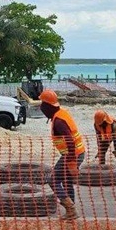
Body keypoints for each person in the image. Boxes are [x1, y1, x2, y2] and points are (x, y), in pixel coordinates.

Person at [39, 89, 85, 220]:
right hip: (76, 152)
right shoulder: (60, 114)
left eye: (42, 104)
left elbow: (70, 141)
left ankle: (70, 208)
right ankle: (71, 212)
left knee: (52, 180)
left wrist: (71, 164)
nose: (41, 107)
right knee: (66, 180)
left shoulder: (59, 121)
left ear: (48, 106)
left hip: (72, 154)